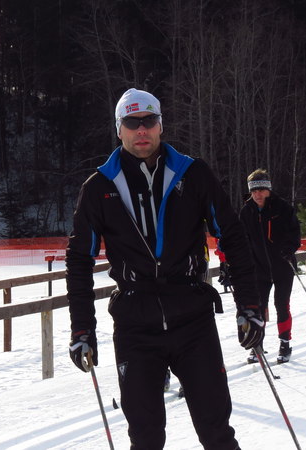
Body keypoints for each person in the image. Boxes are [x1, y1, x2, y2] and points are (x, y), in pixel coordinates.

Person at [65, 88, 263, 449]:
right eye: (132, 122)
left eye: (149, 121)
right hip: (135, 325)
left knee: (217, 432)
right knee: (145, 438)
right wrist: (82, 329)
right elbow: (79, 260)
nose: (141, 130)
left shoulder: (193, 173)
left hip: (193, 318)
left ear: (161, 125)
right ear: (119, 129)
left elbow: (233, 237)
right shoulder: (98, 187)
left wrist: (249, 305)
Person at [239, 169, 301, 364]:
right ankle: (257, 344)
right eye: (254, 191)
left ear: (268, 190)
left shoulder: (282, 208)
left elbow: (295, 233)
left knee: (281, 305)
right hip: (259, 268)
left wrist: (289, 249)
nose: (257, 194)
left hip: (283, 265)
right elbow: (242, 239)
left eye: (261, 190)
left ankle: (285, 343)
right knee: (258, 307)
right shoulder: (246, 211)